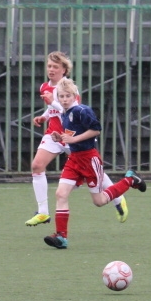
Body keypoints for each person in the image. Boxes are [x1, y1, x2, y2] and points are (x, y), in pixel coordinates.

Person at [42, 79, 146, 249]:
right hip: (74, 159)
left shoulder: (83, 110)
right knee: (61, 194)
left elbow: (96, 129)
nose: (64, 99)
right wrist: (59, 137)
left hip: (89, 159)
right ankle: (61, 237)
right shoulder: (64, 113)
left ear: (75, 96)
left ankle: (130, 180)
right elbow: (71, 133)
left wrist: (73, 139)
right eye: (61, 96)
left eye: (68, 96)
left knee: (98, 201)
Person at [27, 51, 126, 226]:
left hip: (72, 135)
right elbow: (54, 111)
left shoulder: (69, 89)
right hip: (54, 134)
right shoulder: (44, 87)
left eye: (55, 67)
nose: (51, 70)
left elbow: (72, 111)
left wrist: (52, 102)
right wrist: (45, 116)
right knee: (37, 165)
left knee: (94, 172)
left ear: (64, 70)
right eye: (49, 66)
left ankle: (118, 199)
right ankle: (43, 212)